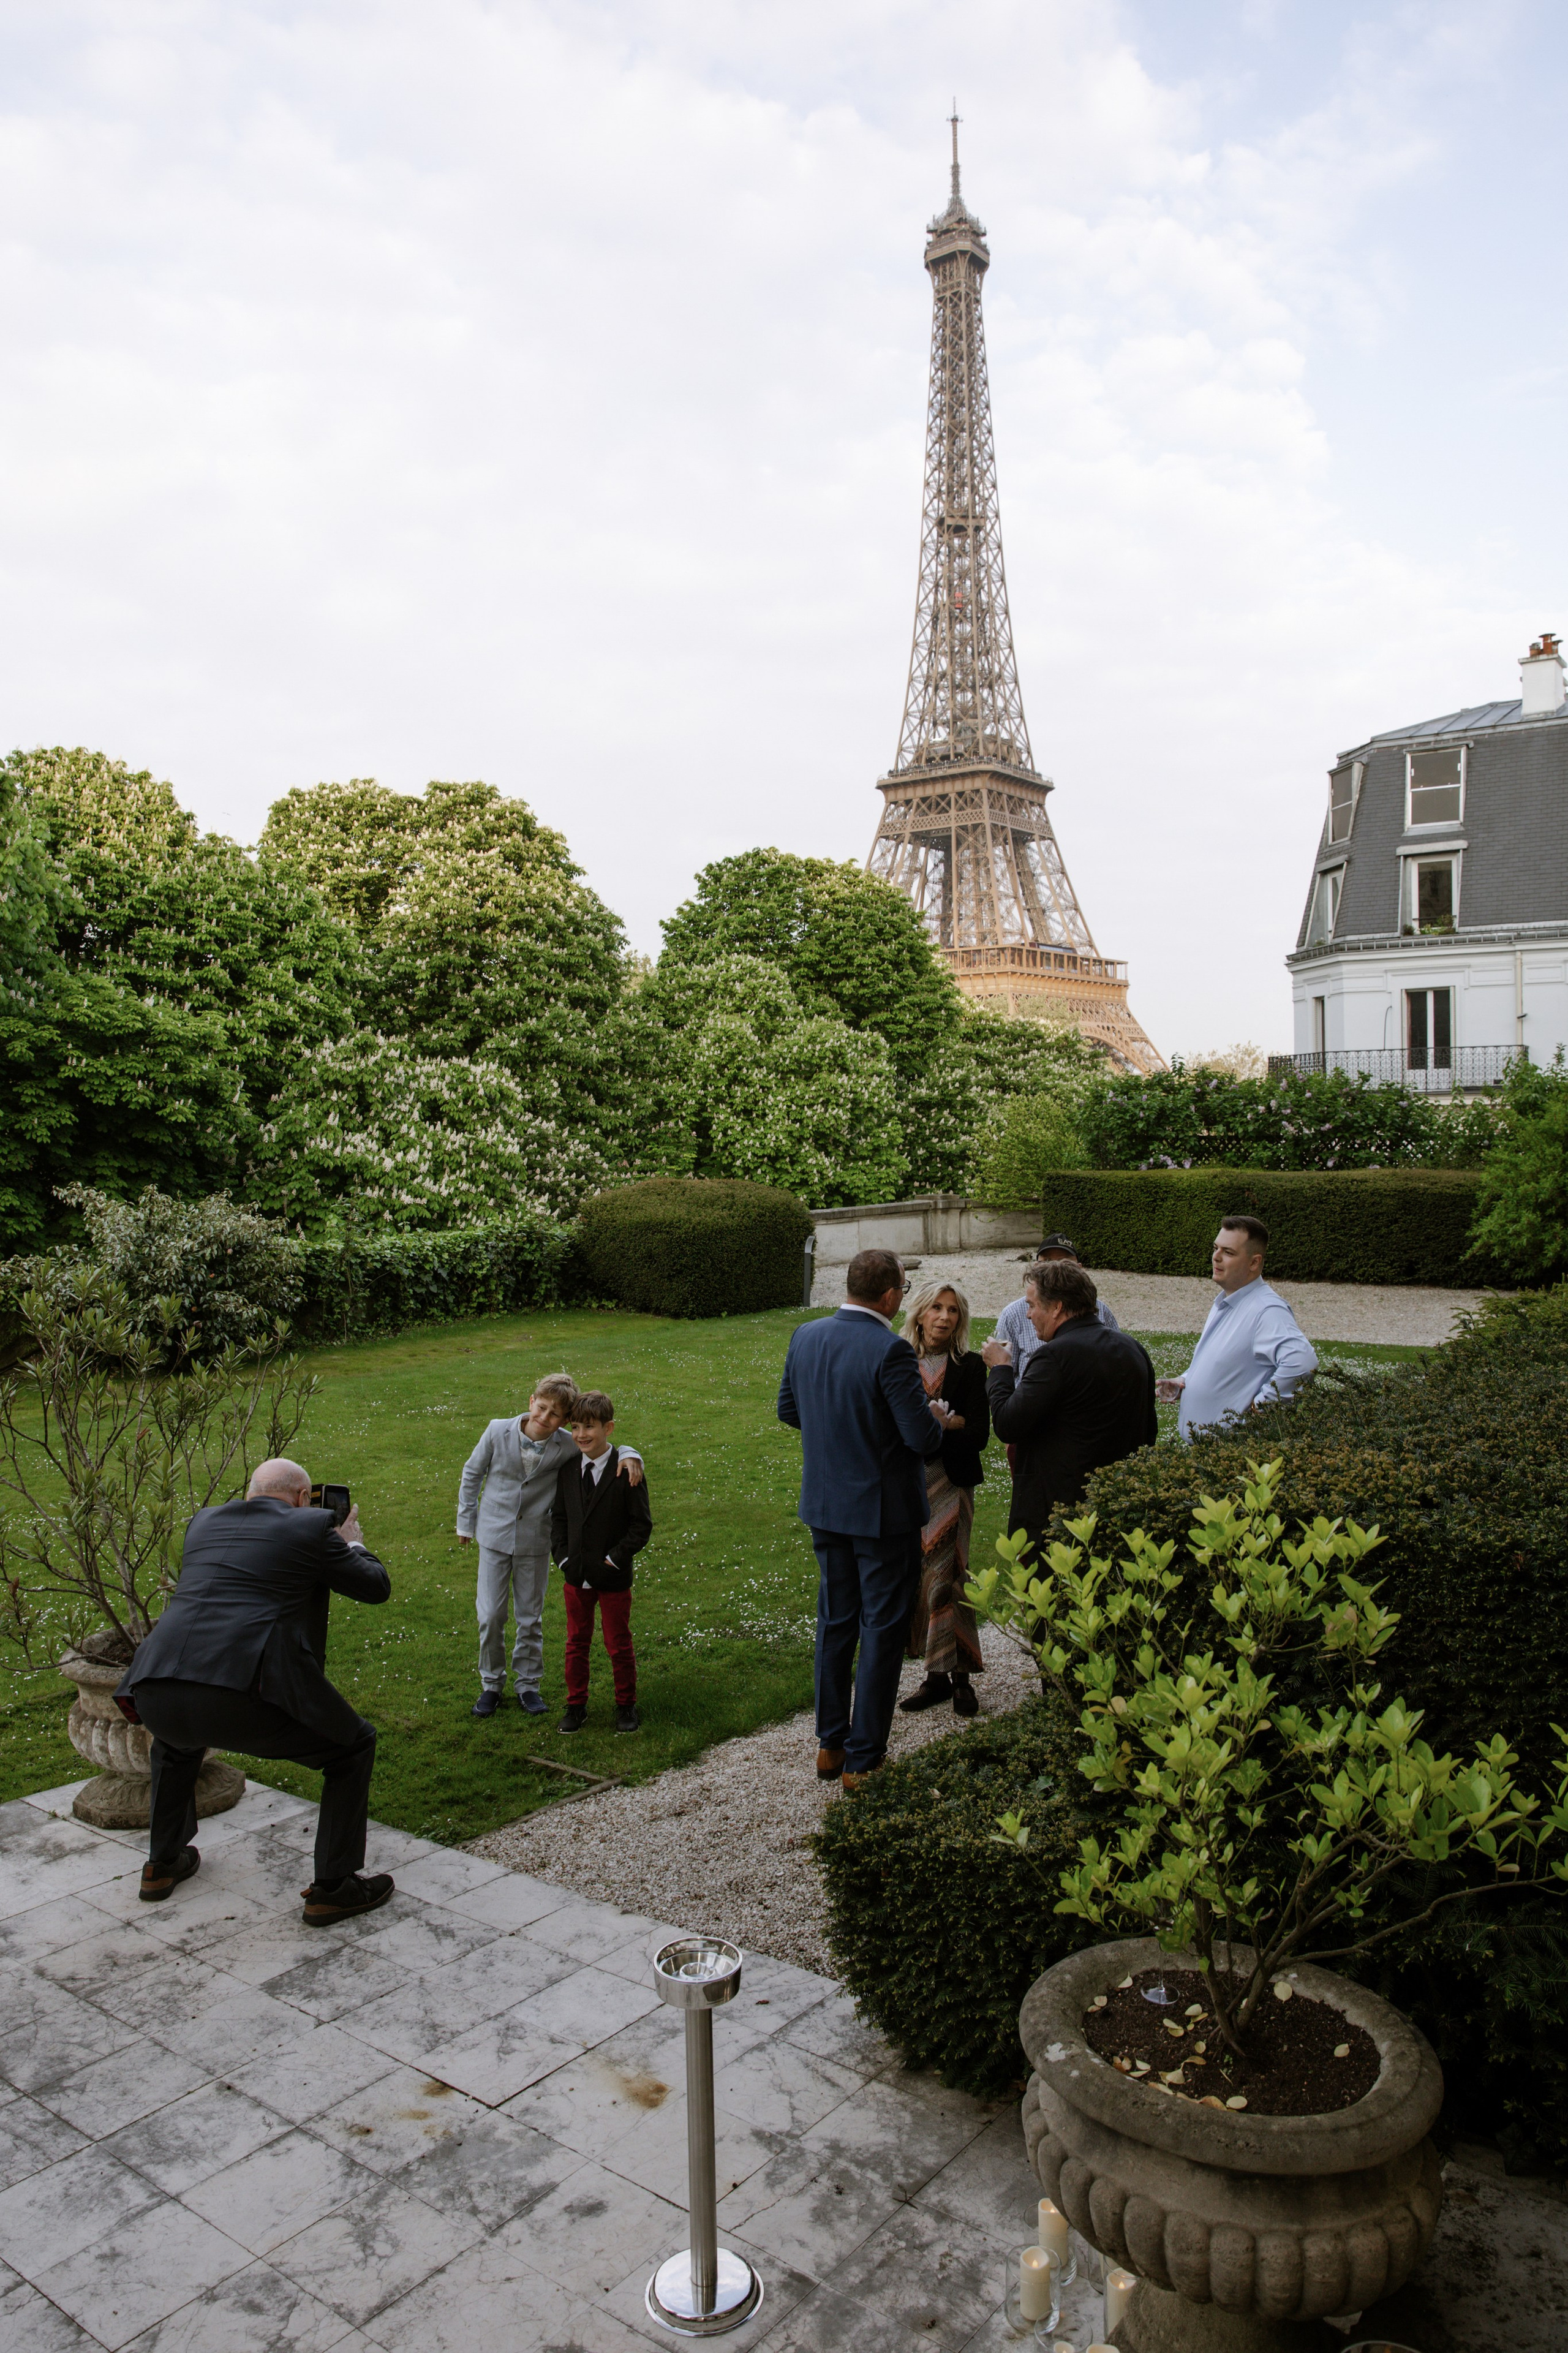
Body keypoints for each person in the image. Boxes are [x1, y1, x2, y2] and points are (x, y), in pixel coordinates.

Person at [115, 1458, 395, 1924]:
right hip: (244, 1691)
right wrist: (353, 1543)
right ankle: (334, 1887)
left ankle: (162, 1864)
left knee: (176, 1741)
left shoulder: (203, 1521)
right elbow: (375, 1586)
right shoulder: (312, 1527)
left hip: (156, 1684)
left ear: (251, 1492)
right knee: (353, 1745)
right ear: (304, 1498)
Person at [777, 1246, 944, 1794]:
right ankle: (864, 1759)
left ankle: (831, 1744)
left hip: (826, 1505)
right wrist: (934, 1414)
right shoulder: (891, 1350)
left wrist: (838, 1435)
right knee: (881, 1629)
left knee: (836, 1622)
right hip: (882, 1514)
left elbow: (789, 1409)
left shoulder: (807, 1335)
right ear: (893, 1296)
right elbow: (920, 1438)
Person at [456, 1377, 641, 1718]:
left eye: (556, 1415)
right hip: (494, 1536)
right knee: (491, 1615)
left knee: (530, 1617)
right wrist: (465, 1522)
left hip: (537, 1541)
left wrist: (633, 1455)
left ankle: (528, 1685)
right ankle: (491, 1685)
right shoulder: (498, 1431)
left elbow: (604, 1446)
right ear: (531, 1402)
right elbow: (472, 1473)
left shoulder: (567, 1443)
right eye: (542, 1408)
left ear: (564, 1420)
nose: (546, 1418)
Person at [981, 1259, 1157, 1555]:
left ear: (1057, 1308)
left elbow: (1008, 1424)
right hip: (1121, 1509)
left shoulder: (1054, 1357)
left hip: (1060, 1521)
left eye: (1033, 1305)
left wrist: (1000, 1369)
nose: (1028, 1314)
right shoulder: (1133, 1348)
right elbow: (1148, 1430)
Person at [898, 1280, 990, 1718]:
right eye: (936, 1307)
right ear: (919, 1312)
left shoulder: (970, 1366)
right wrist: (942, 1423)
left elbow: (978, 1434)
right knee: (920, 1578)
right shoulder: (900, 1363)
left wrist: (939, 1426)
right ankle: (934, 1675)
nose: (944, 1317)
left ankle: (962, 1679)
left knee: (950, 1576)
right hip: (907, 1485)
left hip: (952, 1484)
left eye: (953, 1310)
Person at [1156, 1216, 1318, 1435]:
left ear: (1254, 1262)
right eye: (1216, 1248)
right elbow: (1227, 1363)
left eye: (1228, 1253)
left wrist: (1258, 1411)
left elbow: (1302, 1363)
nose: (1216, 1257)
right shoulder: (1227, 1300)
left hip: (1230, 1454)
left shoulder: (1266, 1310)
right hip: (1209, 1453)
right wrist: (1185, 1382)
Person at [551, 1390, 652, 1735]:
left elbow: (641, 1526)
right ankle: (575, 1705)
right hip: (576, 1574)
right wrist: (563, 1558)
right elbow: (559, 1520)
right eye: (576, 1427)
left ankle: (626, 1705)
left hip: (612, 1576)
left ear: (608, 1428)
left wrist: (615, 1559)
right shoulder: (567, 1471)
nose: (581, 1435)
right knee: (576, 1642)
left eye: (590, 1427)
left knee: (618, 1643)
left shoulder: (627, 1470)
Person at [993, 1234, 1120, 1376]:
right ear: (1036, 1268)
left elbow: (1117, 1359)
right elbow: (1005, 1371)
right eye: (1047, 1261)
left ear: (1079, 1268)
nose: (1054, 1268)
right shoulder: (1013, 1314)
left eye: (1064, 1262)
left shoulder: (1100, 1309)